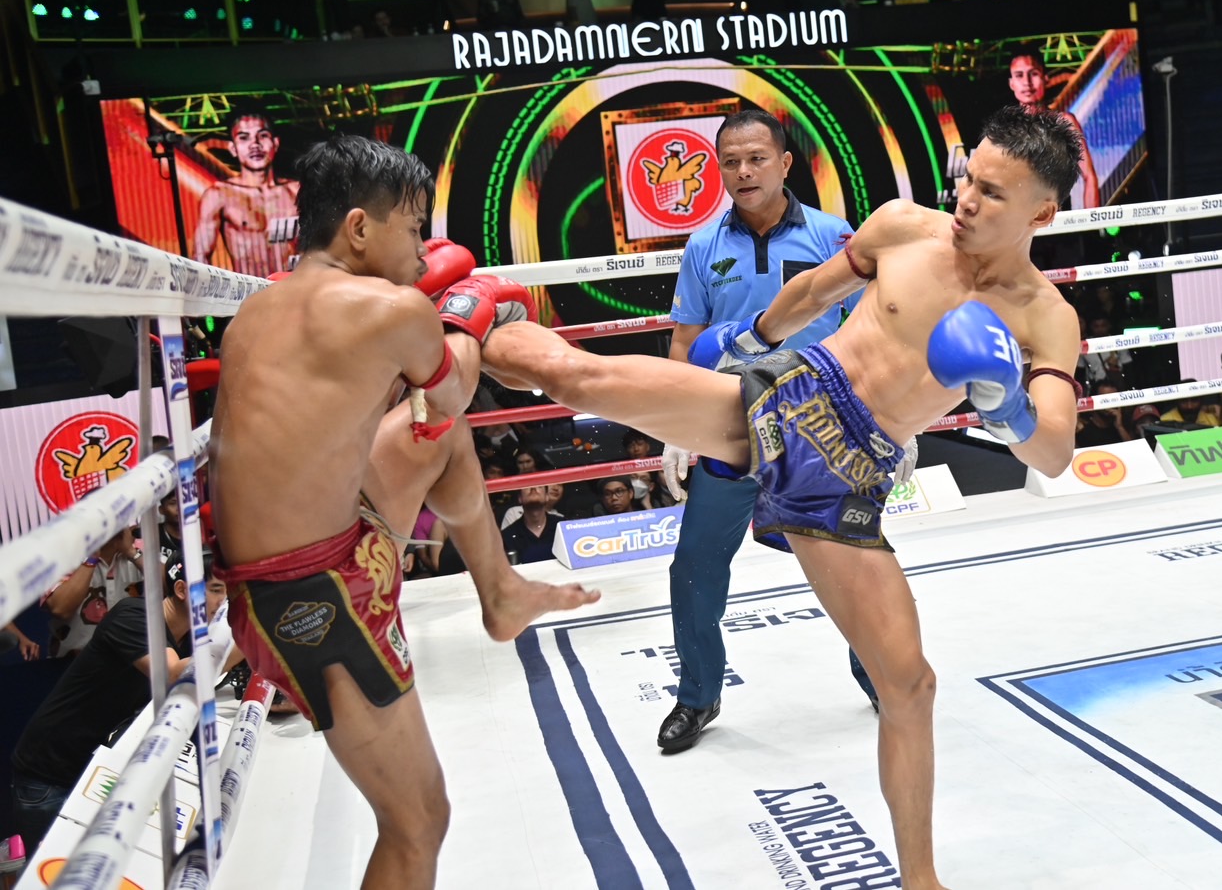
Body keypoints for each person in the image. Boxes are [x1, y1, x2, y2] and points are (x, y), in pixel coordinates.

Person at [473, 103, 1085, 889]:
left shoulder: (1044, 317)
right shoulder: (904, 225)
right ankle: (460, 316)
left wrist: (1008, 407)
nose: (966, 199)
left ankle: (919, 879)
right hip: (788, 394)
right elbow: (812, 291)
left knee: (909, 686)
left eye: (993, 193)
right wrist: (748, 341)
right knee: (578, 376)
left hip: (849, 470)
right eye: (969, 178)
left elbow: (1054, 452)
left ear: (1041, 211)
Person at [210, 134, 596, 890]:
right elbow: (450, 392)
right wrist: (466, 314)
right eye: (415, 228)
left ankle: (500, 591)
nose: (424, 249)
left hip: (294, 562)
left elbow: (411, 420)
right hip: (313, 597)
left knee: (439, 443)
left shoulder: (258, 307)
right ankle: (498, 593)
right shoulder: (389, 308)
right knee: (418, 822)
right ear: (358, 227)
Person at [655, 108, 881, 753]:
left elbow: (874, 328)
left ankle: (881, 675)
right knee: (695, 564)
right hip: (730, 423)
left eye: (757, 158)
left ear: (784, 162)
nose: (744, 172)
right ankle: (698, 695)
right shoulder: (704, 246)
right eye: (730, 162)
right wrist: (676, 426)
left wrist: (892, 418)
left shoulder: (835, 236)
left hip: (821, 424)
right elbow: (686, 340)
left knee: (855, 559)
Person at [9, 553, 231, 854]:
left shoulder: (185, 636)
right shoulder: (136, 616)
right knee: (56, 870)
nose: (225, 601)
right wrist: (248, 639)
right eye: (217, 590)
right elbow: (175, 673)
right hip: (49, 775)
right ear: (181, 590)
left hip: (95, 770)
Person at [193, 103, 301, 278]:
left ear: (275, 143)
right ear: (233, 148)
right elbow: (200, 257)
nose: (255, 145)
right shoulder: (219, 195)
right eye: (244, 138)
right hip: (248, 292)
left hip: (295, 289)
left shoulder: (297, 191)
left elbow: (323, 248)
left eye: (262, 136)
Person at [1007, 50, 1099, 208]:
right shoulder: (1006, 128)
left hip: (1059, 216)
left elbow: (1089, 176)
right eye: (1019, 75)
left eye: (1033, 74)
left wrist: (1092, 220)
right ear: (1012, 84)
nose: (1027, 82)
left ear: (1045, 79)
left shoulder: (1064, 122)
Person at [43, 523, 143, 658]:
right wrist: (91, 556)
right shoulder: (61, 555)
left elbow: (169, 592)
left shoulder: (139, 548)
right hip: (72, 662)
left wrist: (132, 553)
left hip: (131, 660)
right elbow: (60, 609)